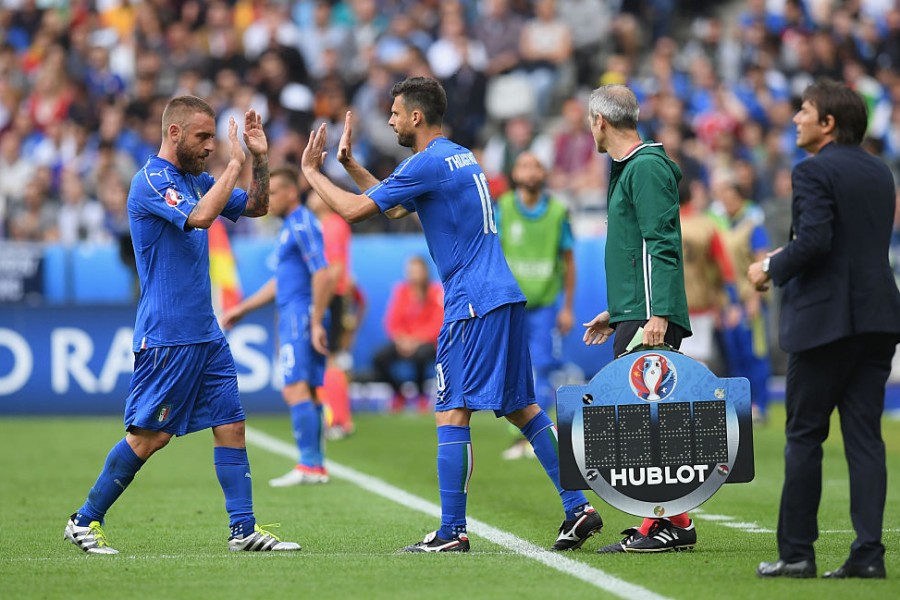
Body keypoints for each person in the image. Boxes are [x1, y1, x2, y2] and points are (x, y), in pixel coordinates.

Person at [300, 76, 602, 553]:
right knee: (521, 407)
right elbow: (398, 211)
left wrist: (312, 174)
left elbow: (359, 212)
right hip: (502, 295)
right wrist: (350, 165)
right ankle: (577, 506)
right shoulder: (458, 156)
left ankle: (451, 532)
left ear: (416, 116)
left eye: (396, 112)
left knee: (451, 411)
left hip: (471, 301)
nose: (392, 120)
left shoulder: (428, 163)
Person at [63, 96, 301, 553]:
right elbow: (200, 218)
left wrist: (260, 157)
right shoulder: (151, 180)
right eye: (202, 137)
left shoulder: (196, 179)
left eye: (213, 136)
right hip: (168, 335)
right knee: (150, 438)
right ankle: (83, 520)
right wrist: (234, 163)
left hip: (206, 333)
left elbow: (257, 206)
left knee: (231, 424)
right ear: (174, 133)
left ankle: (243, 530)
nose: (210, 145)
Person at [751, 79, 900, 580]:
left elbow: (815, 240)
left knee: (805, 436)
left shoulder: (812, 171)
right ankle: (868, 554)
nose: (795, 118)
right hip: (878, 320)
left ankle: (796, 553)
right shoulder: (881, 171)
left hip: (825, 323)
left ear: (828, 123)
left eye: (804, 111)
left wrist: (769, 268)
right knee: (864, 439)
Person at [581, 84, 697, 553]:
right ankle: (661, 522)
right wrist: (621, 311)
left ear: (600, 121)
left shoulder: (646, 168)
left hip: (652, 317)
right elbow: (639, 252)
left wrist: (657, 315)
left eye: (589, 121)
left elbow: (661, 244)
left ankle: (676, 524)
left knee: (645, 423)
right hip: (639, 311)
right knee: (639, 422)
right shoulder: (634, 167)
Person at [221, 166, 334, 487]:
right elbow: (281, 281)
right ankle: (315, 464)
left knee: (294, 386)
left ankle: (310, 464)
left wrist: (314, 322)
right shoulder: (289, 229)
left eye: (273, 193)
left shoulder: (301, 224)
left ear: (290, 193)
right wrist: (243, 307)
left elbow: (324, 273)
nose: (267, 200)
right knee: (306, 388)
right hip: (298, 313)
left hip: (301, 315)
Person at [495, 151, 575, 460]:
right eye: (523, 165)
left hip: (543, 305)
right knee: (510, 369)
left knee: (541, 367)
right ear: (514, 174)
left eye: (536, 166)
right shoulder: (503, 208)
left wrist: (567, 307)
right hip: (510, 305)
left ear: (544, 174)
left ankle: (534, 439)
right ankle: (518, 437)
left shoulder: (556, 211)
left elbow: (569, 260)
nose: (530, 172)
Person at [373, 254, 444, 413]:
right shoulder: (401, 291)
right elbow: (392, 320)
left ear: (425, 272)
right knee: (378, 358)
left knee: (421, 355)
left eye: (416, 271)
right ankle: (399, 394)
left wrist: (416, 340)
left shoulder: (435, 292)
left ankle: (421, 396)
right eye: (410, 271)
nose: (413, 275)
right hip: (402, 342)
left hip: (426, 343)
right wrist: (401, 339)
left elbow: (437, 322)